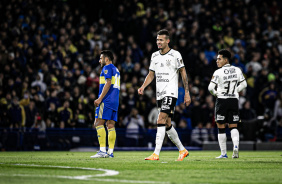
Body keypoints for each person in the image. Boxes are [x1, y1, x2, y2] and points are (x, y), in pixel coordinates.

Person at [138, 29, 191, 161]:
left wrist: (187, 92)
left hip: (170, 92)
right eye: (157, 40)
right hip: (159, 94)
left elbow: (183, 73)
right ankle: (182, 149)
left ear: (168, 40)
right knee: (167, 123)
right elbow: (151, 74)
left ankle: (155, 153)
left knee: (160, 119)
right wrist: (143, 86)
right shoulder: (154, 56)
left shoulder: (175, 55)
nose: (158, 42)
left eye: (161, 40)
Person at [208, 49, 247, 159]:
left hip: (222, 100)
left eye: (219, 59)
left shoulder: (218, 72)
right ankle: (235, 147)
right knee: (233, 126)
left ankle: (223, 153)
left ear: (225, 60)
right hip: (234, 100)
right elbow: (244, 84)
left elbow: (210, 88)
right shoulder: (237, 70)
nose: (217, 61)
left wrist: (216, 93)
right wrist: (235, 90)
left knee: (221, 127)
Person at [90, 50, 120, 158]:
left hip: (106, 100)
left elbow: (108, 83)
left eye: (101, 58)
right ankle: (110, 152)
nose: (99, 60)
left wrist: (99, 99)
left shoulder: (107, 68)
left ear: (106, 59)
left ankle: (102, 151)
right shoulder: (116, 70)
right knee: (110, 125)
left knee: (98, 123)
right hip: (115, 101)